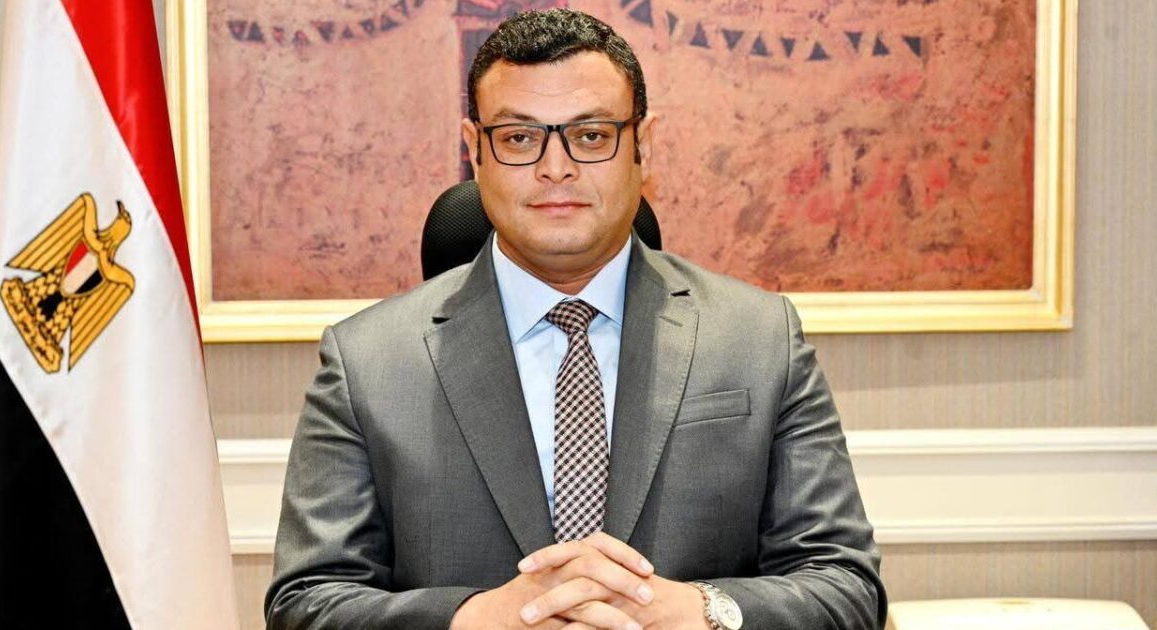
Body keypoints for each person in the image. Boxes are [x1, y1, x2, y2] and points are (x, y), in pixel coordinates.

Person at [265, 8, 885, 630]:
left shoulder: (760, 339)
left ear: (643, 144)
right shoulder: (366, 363)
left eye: (590, 136)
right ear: (475, 150)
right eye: (518, 138)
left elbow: (847, 587)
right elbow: (305, 602)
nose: (555, 167)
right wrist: (475, 619)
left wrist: (699, 611)